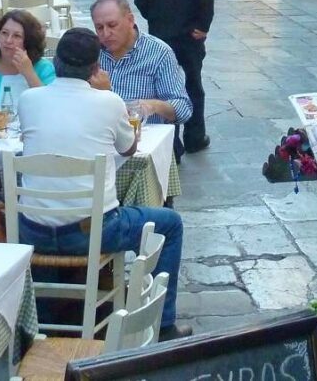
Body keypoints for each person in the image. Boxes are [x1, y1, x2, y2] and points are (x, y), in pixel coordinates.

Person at [16, 28, 189, 341]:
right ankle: (163, 325)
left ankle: (47, 317)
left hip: (32, 230)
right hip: (89, 232)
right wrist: (109, 94)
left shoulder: (28, 100)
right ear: (95, 67)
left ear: (55, 63)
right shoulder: (109, 102)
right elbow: (129, 148)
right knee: (170, 224)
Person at [134, 0, 214, 153]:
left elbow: (140, 0)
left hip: (161, 34)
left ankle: (172, 143)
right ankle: (195, 137)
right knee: (192, 84)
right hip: (189, 35)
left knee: (165, 88)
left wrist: (154, 17)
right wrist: (203, 24)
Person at [89, 0, 192, 158]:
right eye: (99, 28)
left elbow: (184, 109)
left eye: (112, 25)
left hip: (142, 148)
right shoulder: (91, 53)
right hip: (98, 143)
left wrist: (154, 105)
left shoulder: (158, 53)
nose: (106, 34)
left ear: (130, 20)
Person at [0, 10, 56, 108]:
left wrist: (29, 73)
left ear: (29, 41)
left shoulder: (44, 68)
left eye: (17, 36)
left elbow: (50, 106)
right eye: (4, 33)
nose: (8, 40)